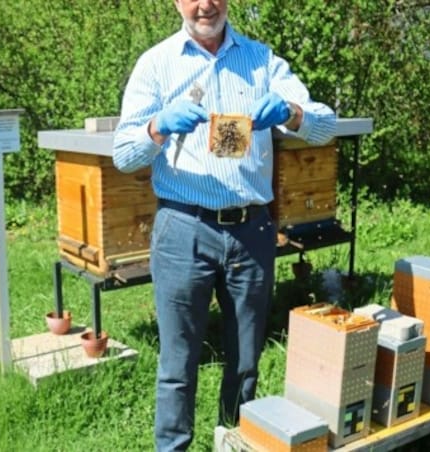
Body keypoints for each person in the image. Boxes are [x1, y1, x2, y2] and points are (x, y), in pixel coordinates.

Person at [112, 1, 337, 450]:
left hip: (251, 231)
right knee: (177, 364)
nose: (205, 5)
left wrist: (293, 114)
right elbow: (123, 155)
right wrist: (158, 127)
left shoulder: (262, 60)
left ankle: (235, 443)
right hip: (183, 229)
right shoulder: (156, 64)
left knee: (246, 362)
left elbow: (326, 125)